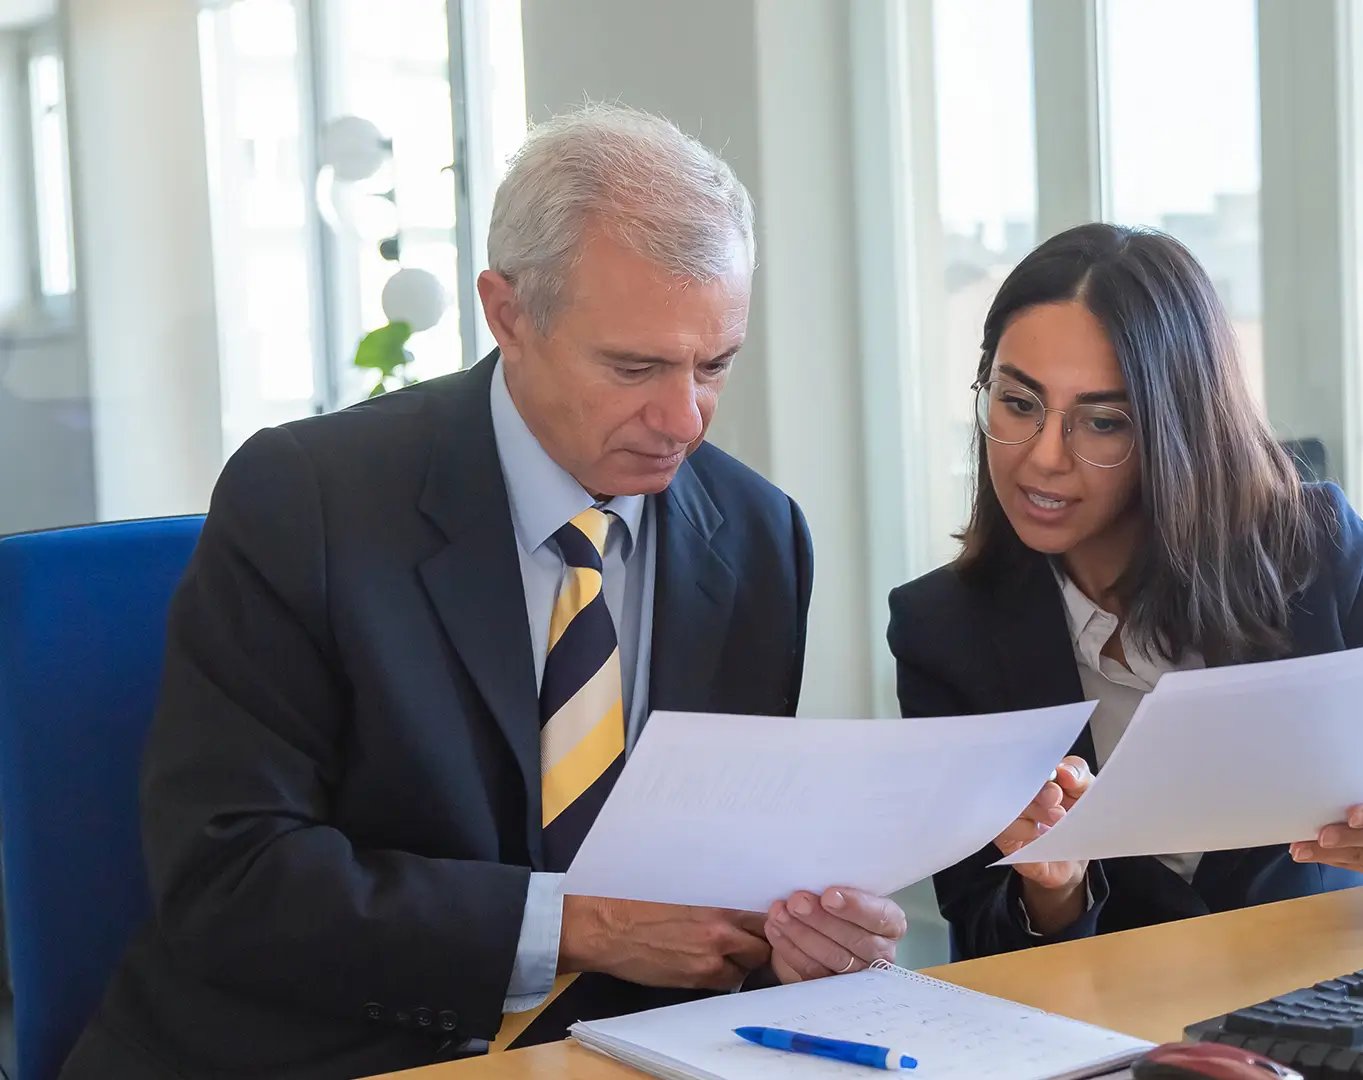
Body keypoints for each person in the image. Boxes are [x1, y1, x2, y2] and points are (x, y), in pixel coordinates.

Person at [61, 104, 905, 1080]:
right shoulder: (309, 501)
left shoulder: (758, 536)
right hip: (321, 1049)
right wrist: (574, 927)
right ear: (506, 312)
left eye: (714, 365)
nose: (684, 419)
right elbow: (231, 880)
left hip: (618, 1053)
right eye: (634, 367)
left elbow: (717, 863)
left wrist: (793, 936)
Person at [887, 223, 1363, 961]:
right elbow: (980, 929)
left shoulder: (1315, 549)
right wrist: (1053, 890)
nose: (1044, 459)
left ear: (1175, 427)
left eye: (1102, 421)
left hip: (1328, 1007)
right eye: (1018, 403)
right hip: (1108, 1040)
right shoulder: (942, 628)